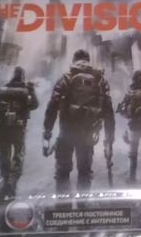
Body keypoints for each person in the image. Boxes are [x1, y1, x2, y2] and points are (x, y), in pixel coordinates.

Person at [43, 49, 115, 195]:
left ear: (74, 60)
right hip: (88, 133)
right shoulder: (100, 80)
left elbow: (53, 105)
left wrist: (47, 131)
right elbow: (108, 110)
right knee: (85, 171)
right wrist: (109, 138)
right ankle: (83, 203)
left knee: (62, 171)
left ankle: (63, 203)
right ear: (88, 61)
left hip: (67, 131)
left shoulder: (66, 77)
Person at [0, 66, 38, 200]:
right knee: (18, 155)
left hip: (3, 129)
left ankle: (5, 179)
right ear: (23, 76)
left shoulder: (4, 89)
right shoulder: (25, 90)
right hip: (19, 129)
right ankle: (12, 182)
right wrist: (32, 90)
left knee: (4, 156)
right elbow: (34, 105)